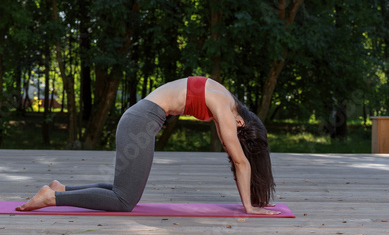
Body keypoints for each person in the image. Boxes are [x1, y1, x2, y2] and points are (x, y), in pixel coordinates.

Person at [16, 76, 279, 215]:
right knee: (124, 200)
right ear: (241, 121)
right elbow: (241, 161)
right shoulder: (223, 106)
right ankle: (53, 198)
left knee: (123, 191)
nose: (230, 134)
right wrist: (248, 208)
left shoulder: (223, 94)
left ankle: (61, 188)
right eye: (237, 130)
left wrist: (249, 195)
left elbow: (238, 157)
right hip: (140, 123)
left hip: (139, 119)